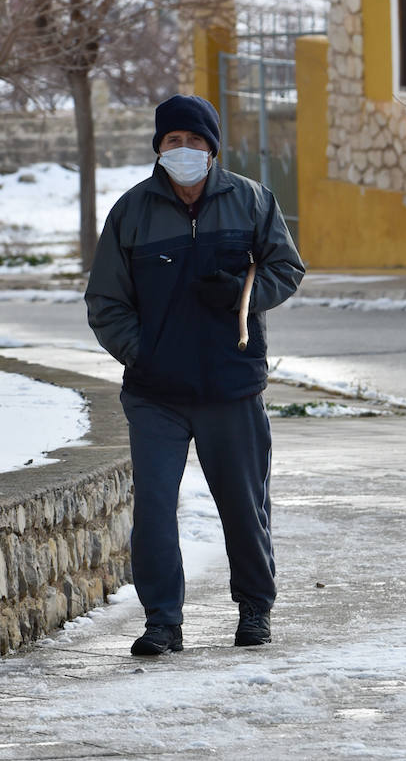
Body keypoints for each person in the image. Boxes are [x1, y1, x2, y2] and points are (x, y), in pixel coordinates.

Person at [85, 93, 305, 657]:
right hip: (156, 394)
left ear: (213, 148)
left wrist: (241, 295)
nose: (183, 150)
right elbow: (106, 300)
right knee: (154, 510)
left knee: (243, 503)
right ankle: (163, 621)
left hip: (231, 387)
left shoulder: (252, 202)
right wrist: (143, 353)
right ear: (158, 149)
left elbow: (286, 267)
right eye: (172, 141)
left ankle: (255, 609)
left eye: (194, 141)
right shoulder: (131, 212)